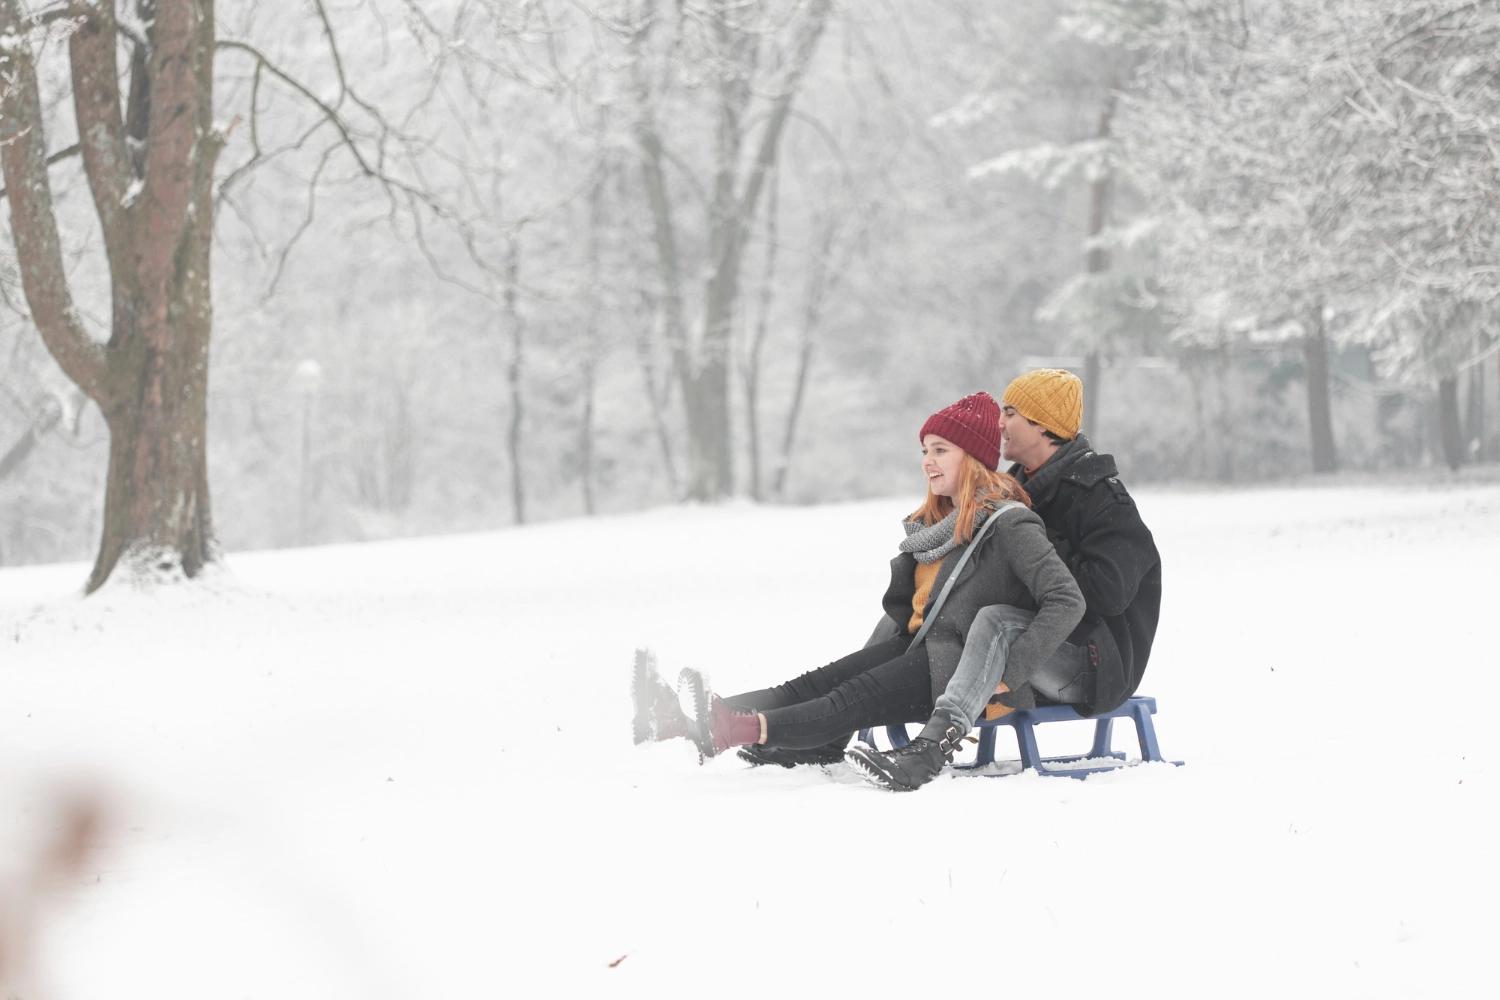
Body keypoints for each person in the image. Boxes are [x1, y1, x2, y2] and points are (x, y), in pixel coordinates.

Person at [631, 391, 1085, 790]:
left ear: (971, 457)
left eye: (940, 450)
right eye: (925, 450)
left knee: (847, 700)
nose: (927, 461)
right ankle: (700, 719)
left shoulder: (1009, 523)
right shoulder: (941, 524)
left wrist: (1014, 669)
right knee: (817, 682)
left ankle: (740, 728)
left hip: (958, 668)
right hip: (921, 648)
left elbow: (1066, 599)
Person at [850, 368, 1163, 790]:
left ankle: (931, 749)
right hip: (1014, 644)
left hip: (1092, 661)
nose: (999, 421)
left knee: (997, 619)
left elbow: (1108, 593)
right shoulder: (1015, 486)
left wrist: (1032, 538)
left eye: (1011, 412)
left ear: (1045, 426)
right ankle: (833, 727)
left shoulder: (1101, 497)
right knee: (912, 616)